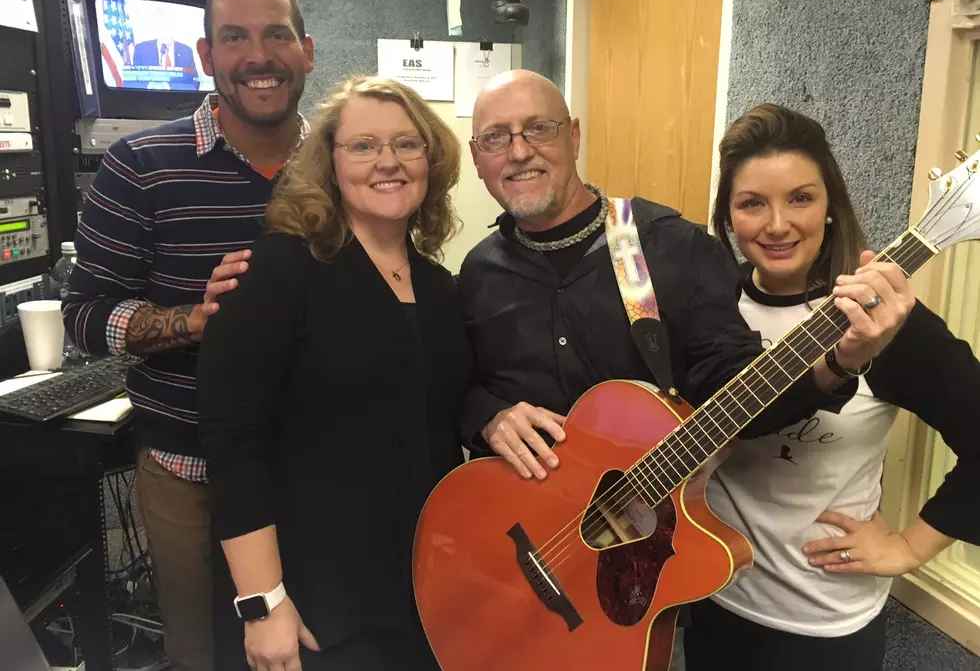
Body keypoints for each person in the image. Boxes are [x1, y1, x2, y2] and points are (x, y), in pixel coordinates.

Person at [456, 70, 913, 485]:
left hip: (645, 548)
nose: (519, 151)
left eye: (539, 128)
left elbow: (736, 400)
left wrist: (837, 362)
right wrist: (487, 415)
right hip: (519, 541)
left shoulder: (675, 248)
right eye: (495, 138)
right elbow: (450, 386)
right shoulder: (476, 274)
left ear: (574, 137)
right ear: (478, 158)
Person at [61, 0, 314, 671]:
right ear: (207, 57)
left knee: (318, 641)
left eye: (276, 35)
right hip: (190, 468)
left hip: (317, 465)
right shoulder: (141, 166)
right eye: (235, 37)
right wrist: (193, 322)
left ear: (308, 51)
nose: (258, 56)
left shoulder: (344, 161)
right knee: (208, 651)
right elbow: (86, 314)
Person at [681, 103, 980, 670]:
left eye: (800, 197)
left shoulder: (884, 322)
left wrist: (909, 548)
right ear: (727, 216)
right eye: (751, 203)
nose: (776, 224)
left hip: (822, 625)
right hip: (711, 592)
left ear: (830, 209)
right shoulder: (710, 306)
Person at [196, 75, 472, 671]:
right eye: (363, 145)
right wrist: (263, 605)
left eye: (407, 144)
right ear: (330, 161)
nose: (388, 162)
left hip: (423, 588)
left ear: (432, 159)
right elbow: (231, 441)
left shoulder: (439, 287)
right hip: (313, 602)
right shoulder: (277, 269)